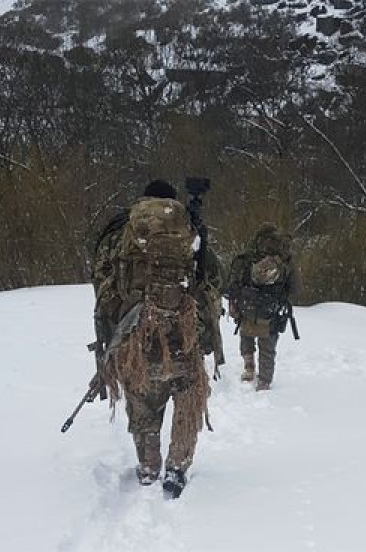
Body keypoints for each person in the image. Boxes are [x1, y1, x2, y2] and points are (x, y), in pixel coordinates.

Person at [91, 179, 213, 498]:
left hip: (135, 337)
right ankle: (176, 468)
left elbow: (102, 284)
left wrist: (116, 325)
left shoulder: (121, 230)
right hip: (182, 335)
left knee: (143, 401)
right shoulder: (189, 230)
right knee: (187, 398)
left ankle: (148, 467)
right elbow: (209, 280)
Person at [225, 222, 301, 391]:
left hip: (248, 304)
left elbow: (235, 280)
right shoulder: (285, 258)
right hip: (271, 308)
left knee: (246, 335)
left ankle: (249, 367)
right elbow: (295, 288)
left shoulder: (249, 255)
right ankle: (264, 381)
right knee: (267, 346)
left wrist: (236, 300)